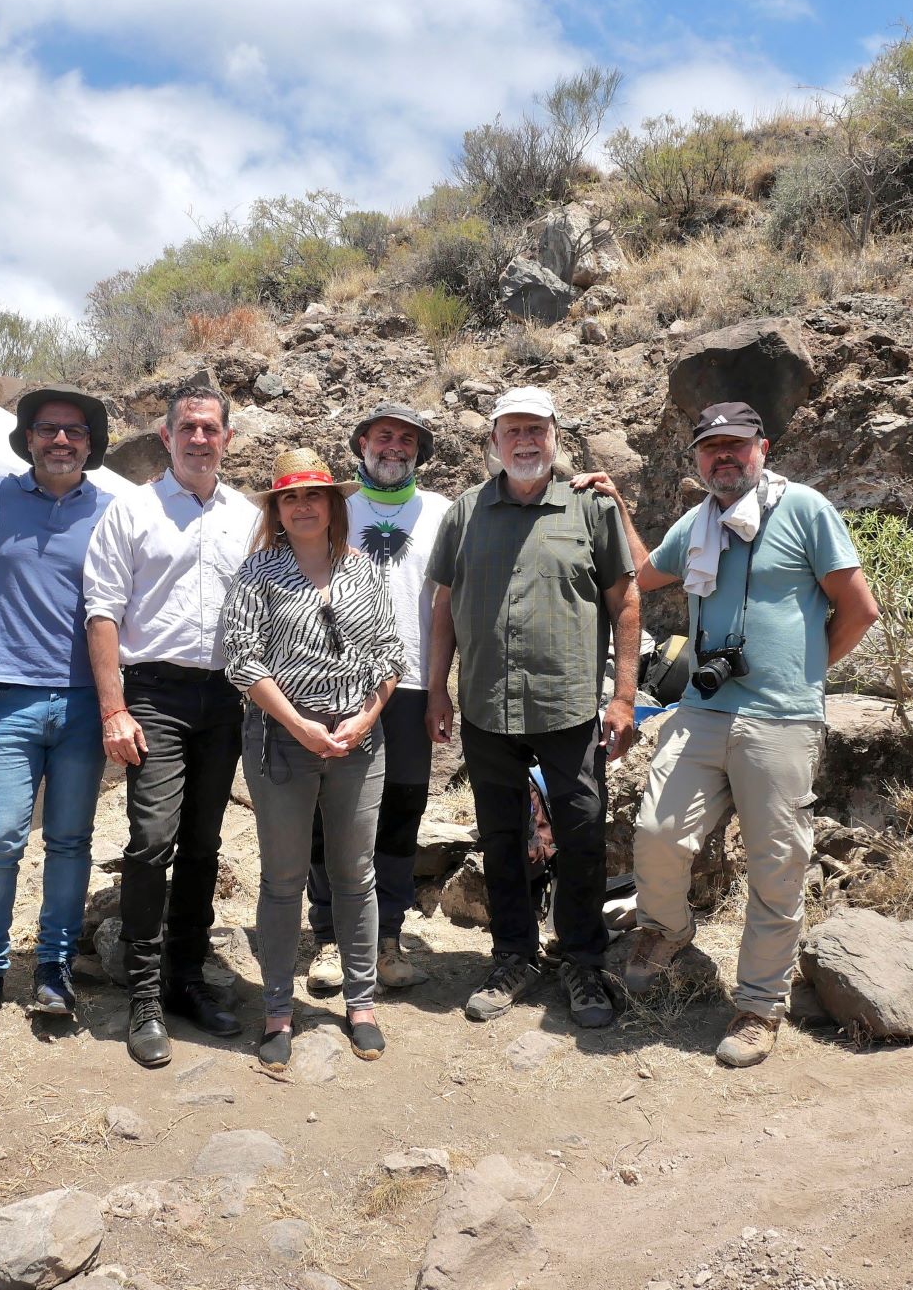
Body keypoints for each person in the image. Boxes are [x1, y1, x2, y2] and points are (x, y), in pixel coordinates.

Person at [590, 400, 879, 1067]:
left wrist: (804, 672)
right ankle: (668, 931)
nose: (724, 456)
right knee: (659, 832)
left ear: (763, 448)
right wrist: (618, 508)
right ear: (697, 458)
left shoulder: (803, 508)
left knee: (777, 865)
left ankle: (757, 1005)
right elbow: (644, 572)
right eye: (710, 447)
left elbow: (859, 609)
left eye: (735, 445)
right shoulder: (699, 522)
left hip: (781, 720)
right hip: (702, 710)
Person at [425, 387, 640, 1029]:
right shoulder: (465, 512)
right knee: (500, 838)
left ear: (555, 437)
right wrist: (437, 690)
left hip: (570, 706)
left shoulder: (590, 507)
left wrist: (625, 696)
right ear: (494, 441)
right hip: (488, 709)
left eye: (536, 430)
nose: (524, 441)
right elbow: (444, 607)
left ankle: (581, 961)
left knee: (581, 837)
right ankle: (512, 956)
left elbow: (626, 602)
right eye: (512, 430)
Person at [83, 383, 259, 1068]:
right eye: (188, 426)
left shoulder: (247, 516)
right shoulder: (132, 510)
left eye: (211, 427)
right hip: (153, 692)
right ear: (166, 433)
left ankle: (188, 976)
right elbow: (102, 611)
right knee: (152, 838)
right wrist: (114, 707)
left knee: (204, 843)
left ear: (227, 438)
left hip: (224, 696)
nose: (199, 438)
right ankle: (146, 993)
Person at [0, 386, 117, 1043]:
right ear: (31, 438)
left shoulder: (112, 511)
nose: (62, 440)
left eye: (74, 431)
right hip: (9, 696)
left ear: (90, 444)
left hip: (82, 702)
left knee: (70, 842)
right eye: (49, 429)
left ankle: (54, 966)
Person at [224, 449, 406, 1067]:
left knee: (356, 873)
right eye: (289, 497)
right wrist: (300, 724)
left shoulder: (364, 573)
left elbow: (388, 657)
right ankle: (277, 1008)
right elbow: (242, 660)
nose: (302, 506)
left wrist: (362, 720)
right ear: (277, 510)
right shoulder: (257, 575)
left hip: (357, 740)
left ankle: (361, 1002)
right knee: (282, 878)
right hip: (283, 739)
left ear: (333, 505)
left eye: (314, 495)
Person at [306, 403, 449, 993]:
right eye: (383, 436)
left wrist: (440, 688)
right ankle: (328, 937)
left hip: (413, 685)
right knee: (328, 812)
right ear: (362, 442)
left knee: (400, 813)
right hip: (335, 682)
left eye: (406, 439)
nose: (394, 447)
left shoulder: (443, 513)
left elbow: (447, 605)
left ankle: (385, 936)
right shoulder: (333, 509)